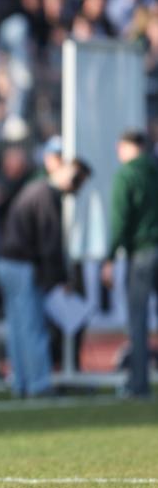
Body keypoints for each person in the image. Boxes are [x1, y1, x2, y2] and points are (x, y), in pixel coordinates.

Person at [0, 157, 92, 397]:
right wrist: (59, 280)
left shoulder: (33, 188)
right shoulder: (47, 196)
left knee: (18, 328)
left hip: (8, 262)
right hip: (24, 264)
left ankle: (21, 383)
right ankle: (38, 384)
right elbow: (49, 243)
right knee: (33, 328)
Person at [102, 131, 158, 399]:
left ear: (126, 147)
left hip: (142, 253)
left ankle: (139, 383)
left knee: (138, 319)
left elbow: (120, 219)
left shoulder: (127, 175)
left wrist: (111, 256)